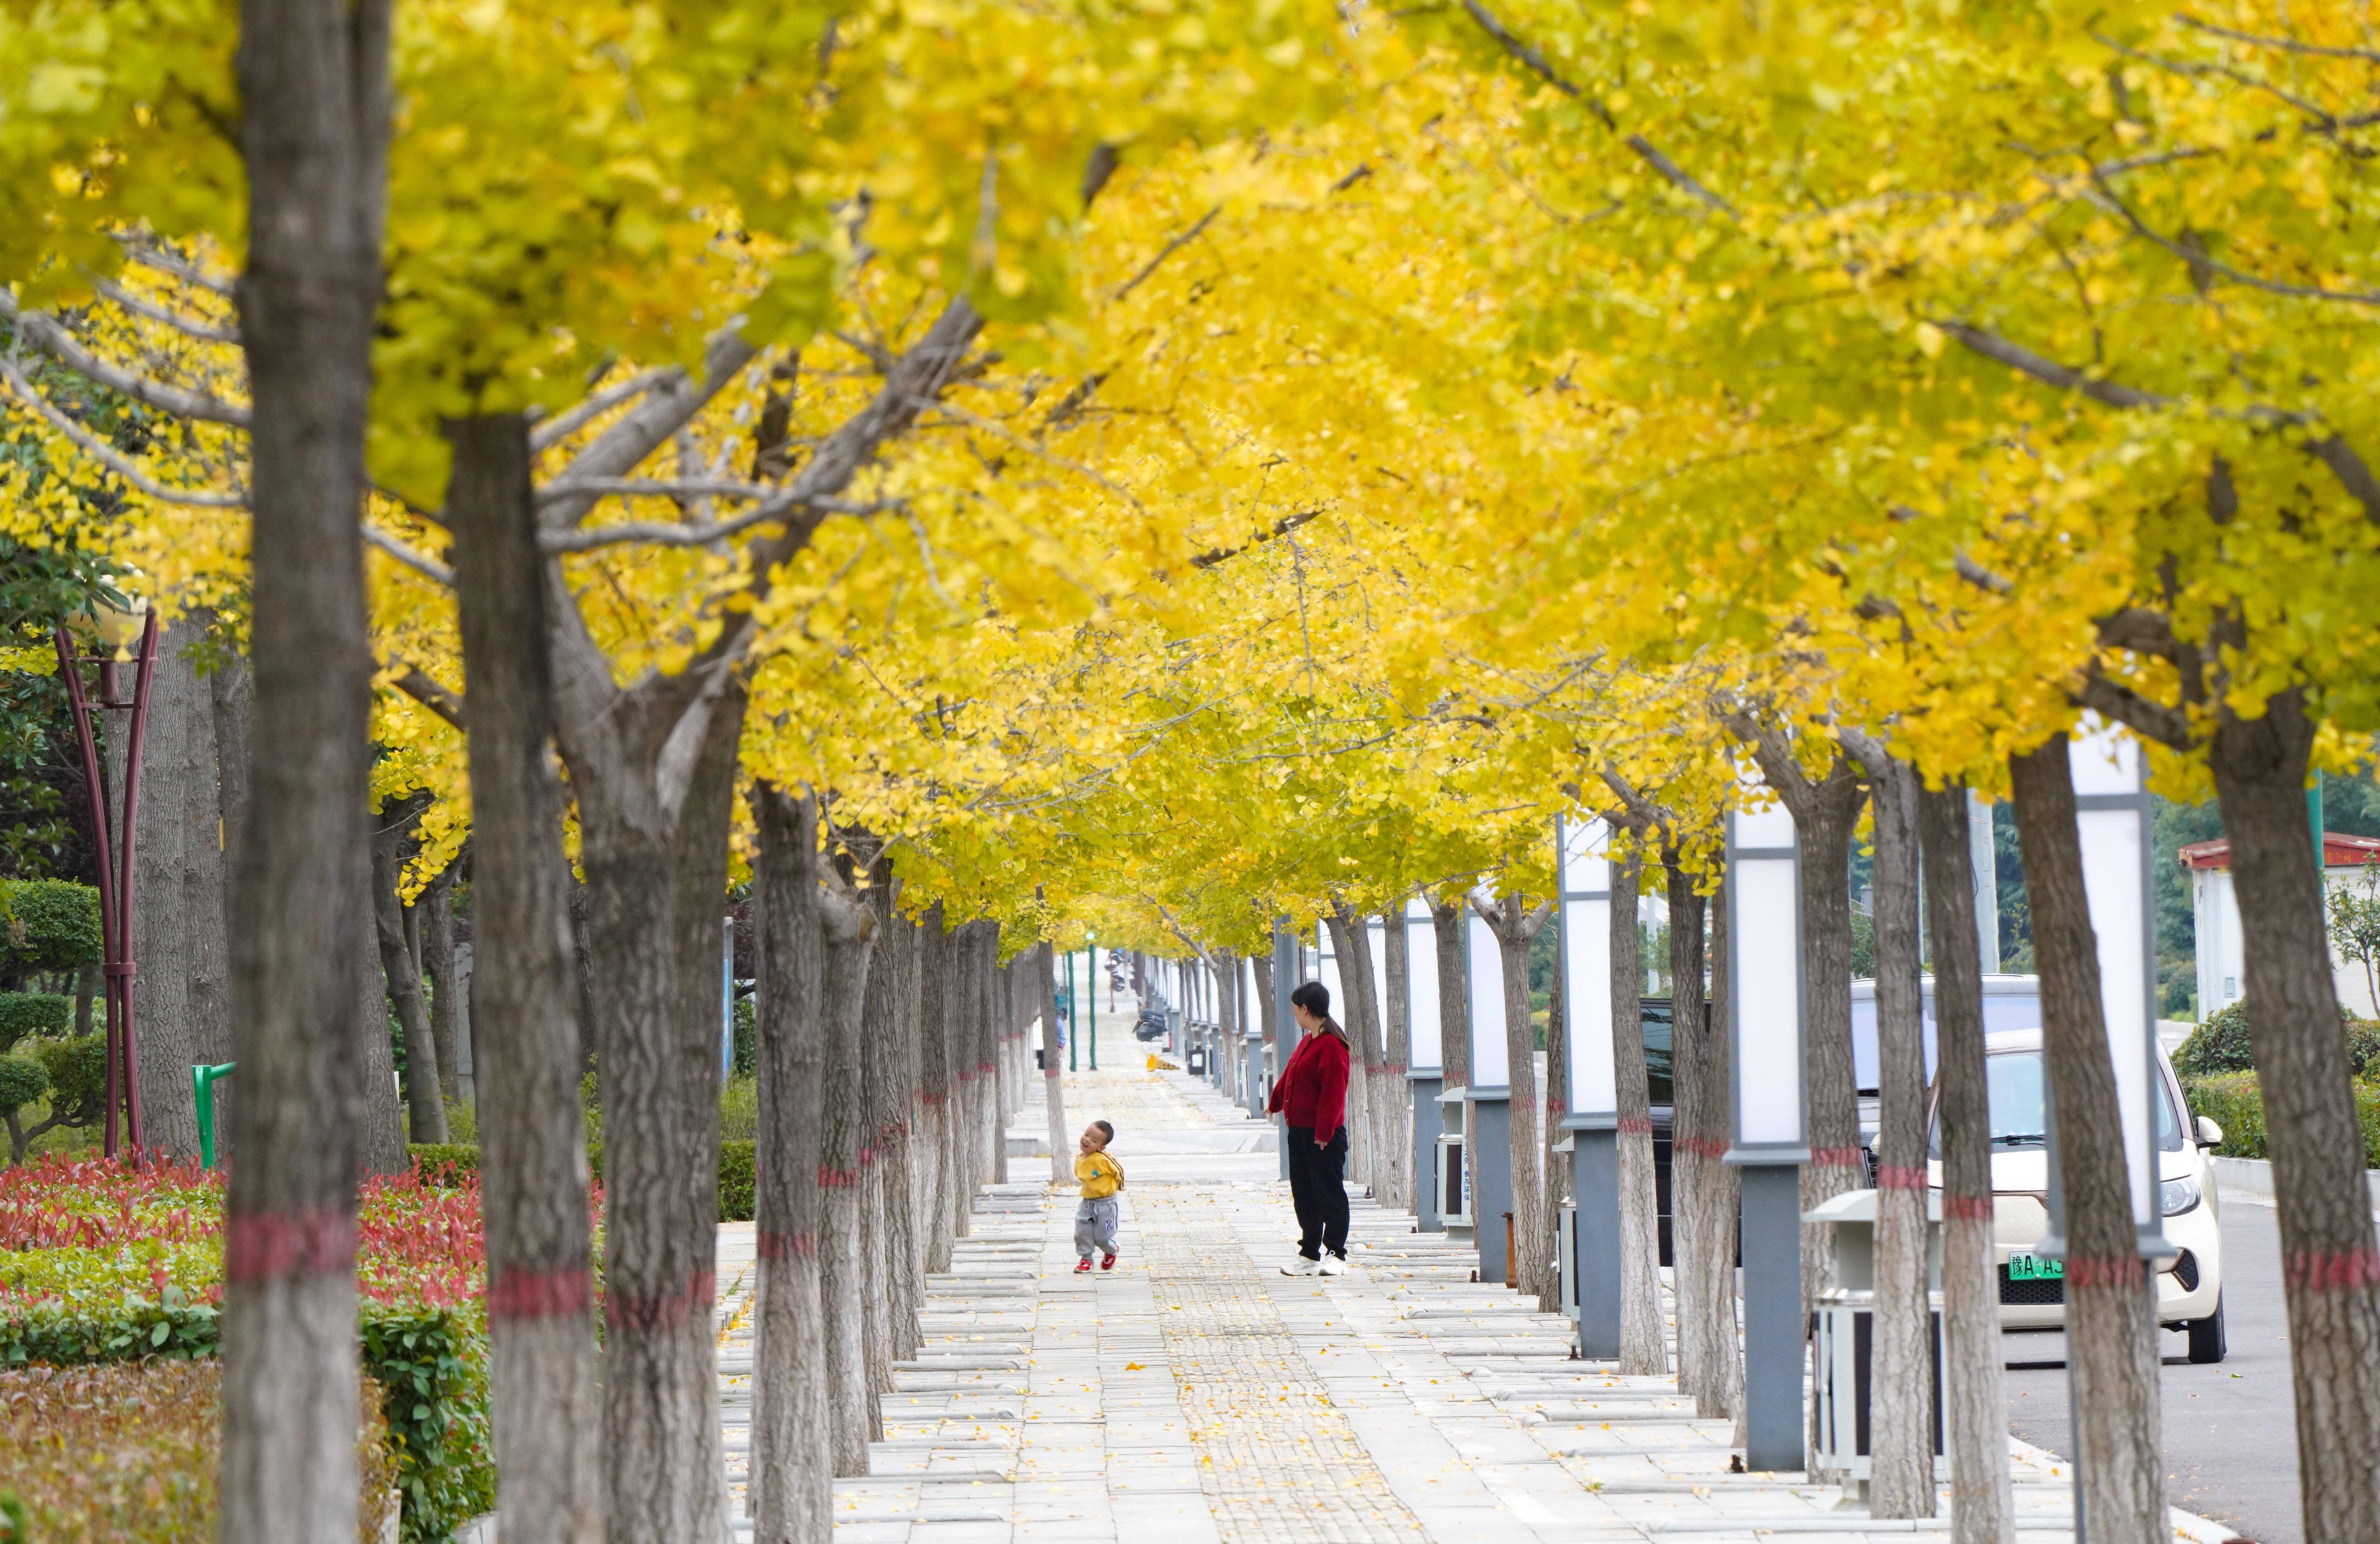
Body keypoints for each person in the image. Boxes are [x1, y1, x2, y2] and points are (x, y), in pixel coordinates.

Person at [1266, 980, 1351, 1276]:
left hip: (1323, 1135)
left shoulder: (1332, 1045)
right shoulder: (1309, 1041)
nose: (1294, 1014)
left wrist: (1324, 1132)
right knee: (1304, 1194)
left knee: (1329, 1194)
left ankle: (1336, 1254)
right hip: (1300, 1132)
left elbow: (1333, 1091)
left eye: (1295, 1009)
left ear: (1305, 1009)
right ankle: (1309, 1254)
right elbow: (1290, 1073)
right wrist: (1275, 1102)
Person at [1073, 1119, 1124, 1273]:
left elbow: (1118, 1170)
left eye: (1094, 1140)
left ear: (1101, 1147)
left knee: (1102, 1237)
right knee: (1082, 1232)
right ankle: (1086, 1260)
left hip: (1106, 1204)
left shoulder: (1103, 1159)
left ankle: (1112, 1249)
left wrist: (1119, 1186)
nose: (1087, 1140)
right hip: (1088, 1202)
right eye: (1087, 1135)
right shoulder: (1080, 1158)